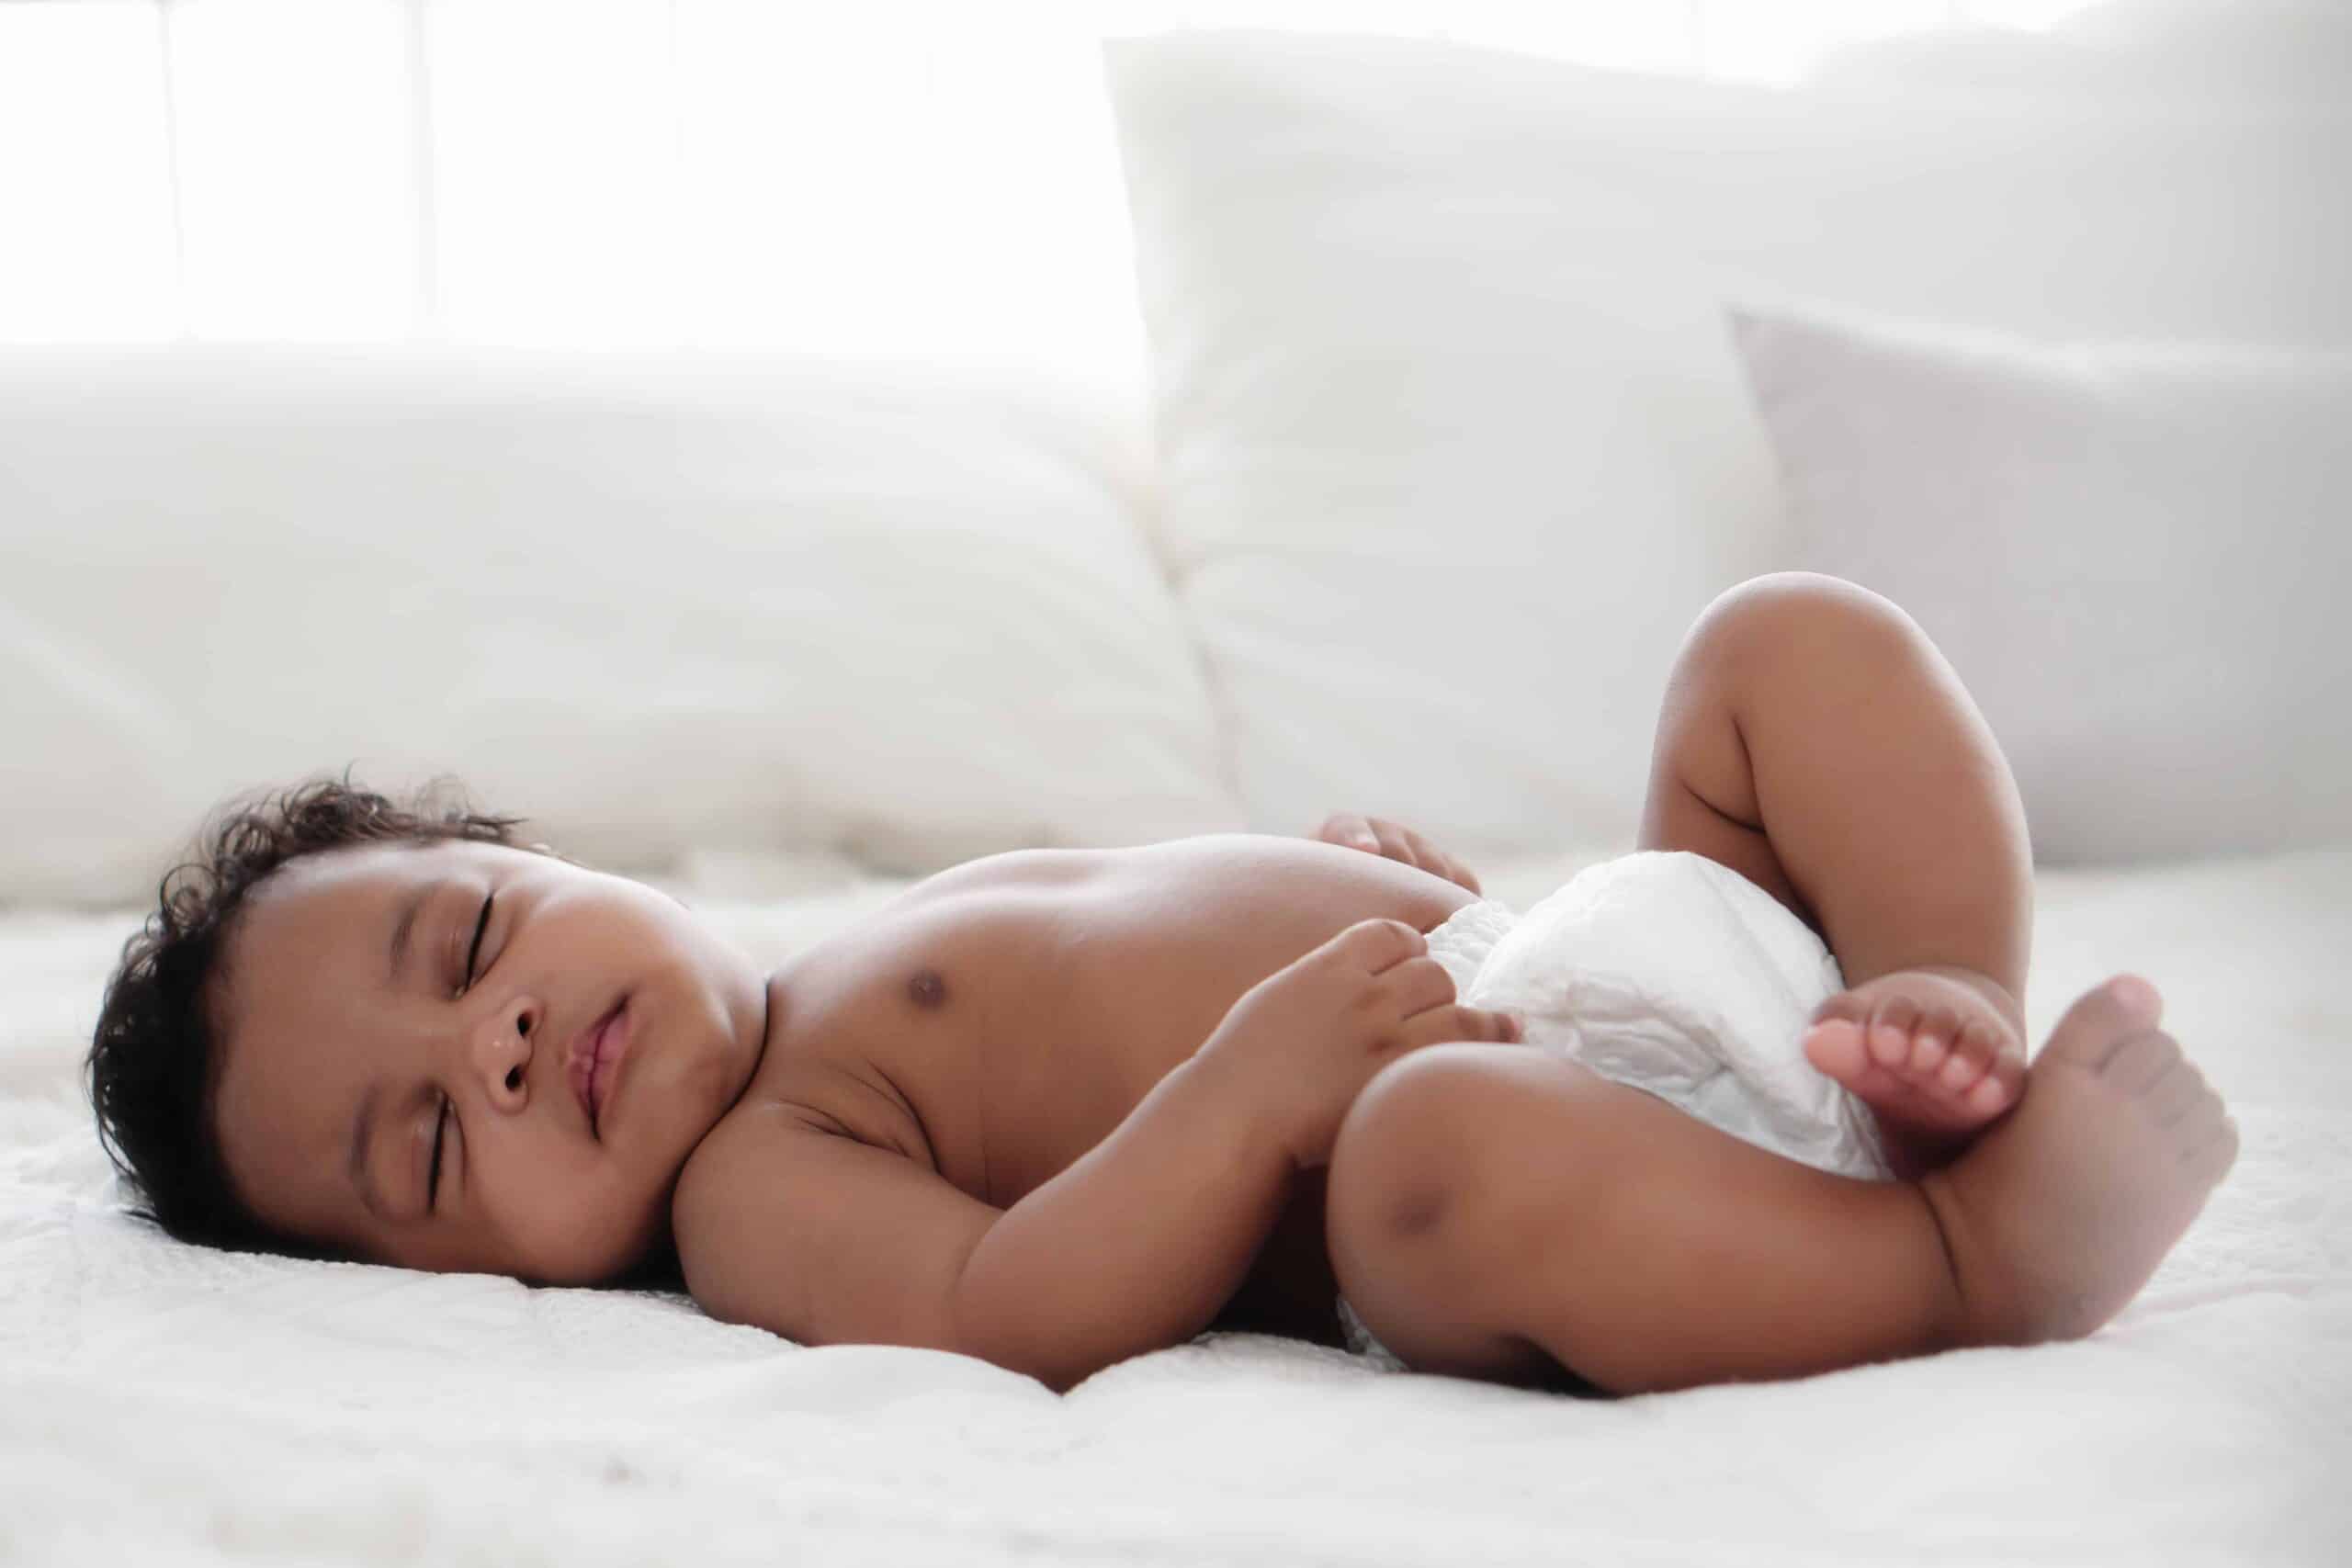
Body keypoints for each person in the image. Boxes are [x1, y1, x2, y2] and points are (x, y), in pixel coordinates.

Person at [86, 571, 2237, 1396]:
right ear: (468, 1282)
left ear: (541, 855)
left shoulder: (859, 941)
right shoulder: (754, 1183)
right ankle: (1953, 1252)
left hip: (1588, 976)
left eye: (470, 944)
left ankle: (1932, 991)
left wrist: (1379, 897)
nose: (503, 1037)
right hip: (1544, 1163)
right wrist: (1255, 1079)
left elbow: (1155, 939)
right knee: (1427, 1154)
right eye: (433, 1139)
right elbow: (1008, 1304)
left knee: (1774, 652)